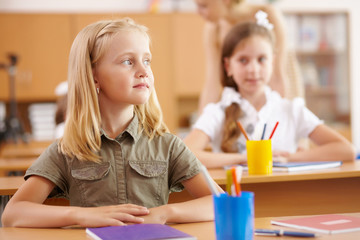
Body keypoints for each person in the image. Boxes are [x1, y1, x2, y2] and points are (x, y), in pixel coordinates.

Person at [2, 18, 221, 228]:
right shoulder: (68, 150)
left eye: (146, 60)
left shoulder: (167, 145)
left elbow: (221, 203)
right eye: (128, 61)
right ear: (94, 75)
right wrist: (81, 215)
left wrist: (165, 213)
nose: (144, 71)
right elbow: (13, 213)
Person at [184, 22, 355, 168]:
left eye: (261, 59)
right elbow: (185, 155)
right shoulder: (218, 111)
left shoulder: (290, 109)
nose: (253, 69)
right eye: (243, 60)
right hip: (236, 198)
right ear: (228, 67)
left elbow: (346, 150)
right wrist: (244, 159)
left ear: (272, 63)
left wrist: (290, 157)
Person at [194, 0, 303, 112]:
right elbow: (212, 82)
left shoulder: (267, 15)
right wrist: (202, 121)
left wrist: (280, 116)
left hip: (281, 86)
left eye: (203, 6)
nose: (198, 12)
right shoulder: (213, 29)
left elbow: (276, 75)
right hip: (245, 92)